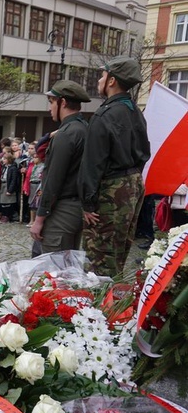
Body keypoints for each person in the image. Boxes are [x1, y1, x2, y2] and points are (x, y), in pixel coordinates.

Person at [79, 57, 151, 277]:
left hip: (111, 189)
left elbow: (92, 163)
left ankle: (99, 305)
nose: (100, 80)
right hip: (134, 183)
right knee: (119, 249)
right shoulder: (134, 111)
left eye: (102, 75)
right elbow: (144, 152)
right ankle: (113, 295)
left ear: (112, 81)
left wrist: (87, 203)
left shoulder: (104, 115)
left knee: (99, 256)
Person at [30, 80, 90, 253]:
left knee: (54, 270)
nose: (49, 108)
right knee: (68, 269)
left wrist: (39, 219)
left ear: (62, 102)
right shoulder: (84, 128)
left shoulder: (66, 134)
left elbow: (53, 180)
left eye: (51, 102)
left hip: (62, 210)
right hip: (76, 208)